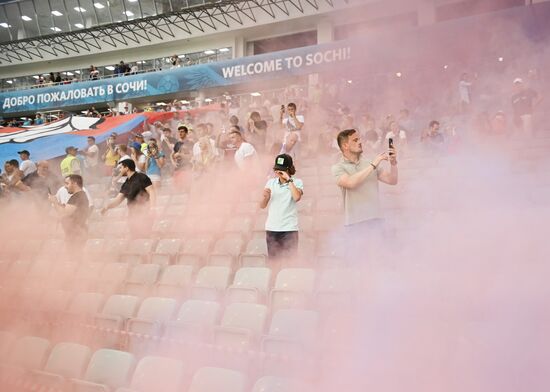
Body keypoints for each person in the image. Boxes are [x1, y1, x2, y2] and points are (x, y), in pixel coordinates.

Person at [332, 129, 398, 231]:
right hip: (355, 223)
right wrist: (373, 165)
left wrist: (393, 163)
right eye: (355, 140)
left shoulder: (369, 162)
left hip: (376, 219)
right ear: (345, 146)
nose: (360, 142)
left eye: (359, 139)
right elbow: (351, 183)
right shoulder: (338, 167)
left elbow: (392, 180)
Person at [260, 154, 303, 261]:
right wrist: (266, 197)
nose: (279, 173)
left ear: (289, 169)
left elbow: (297, 197)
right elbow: (262, 205)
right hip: (272, 228)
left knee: (290, 261)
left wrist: (288, 179)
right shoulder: (270, 183)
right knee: (274, 262)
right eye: (277, 170)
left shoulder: (297, 182)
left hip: (289, 229)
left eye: (282, 170)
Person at [101, 159, 156, 237]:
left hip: (144, 213)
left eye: (121, 167)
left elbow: (151, 191)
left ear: (126, 168)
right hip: (132, 216)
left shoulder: (141, 177)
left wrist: (152, 208)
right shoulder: (126, 184)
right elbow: (117, 200)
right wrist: (106, 207)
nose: (120, 170)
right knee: (135, 238)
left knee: (144, 236)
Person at [48, 174, 90, 249]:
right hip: (75, 234)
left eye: (67, 183)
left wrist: (54, 202)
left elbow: (64, 213)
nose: (65, 186)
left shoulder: (77, 196)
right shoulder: (79, 196)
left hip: (76, 235)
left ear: (75, 184)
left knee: (74, 257)